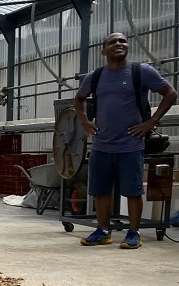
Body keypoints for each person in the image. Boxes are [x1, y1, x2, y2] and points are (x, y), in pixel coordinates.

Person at [74, 32, 176, 249]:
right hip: (102, 144)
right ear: (103, 51)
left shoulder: (142, 72)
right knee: (100, 190)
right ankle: (103, 231)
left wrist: (151, 123)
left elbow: (170, 93)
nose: (118, 44)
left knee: (132, 190)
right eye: (112, 42)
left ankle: (133, 232)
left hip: (131, 143)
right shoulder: (95, 76)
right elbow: (79, 98)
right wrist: (84, 122)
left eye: (122, 41)